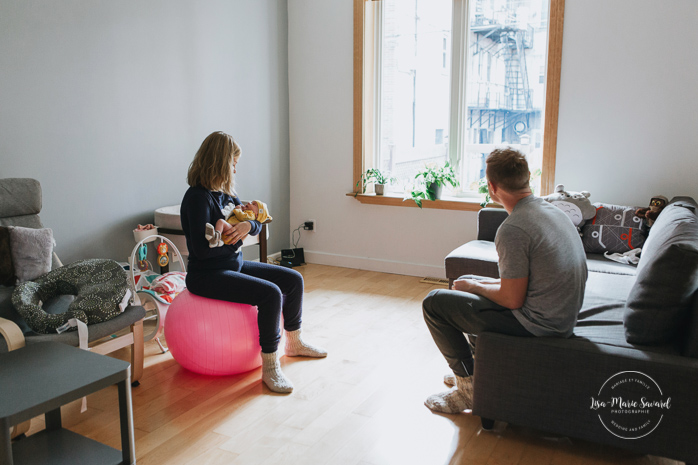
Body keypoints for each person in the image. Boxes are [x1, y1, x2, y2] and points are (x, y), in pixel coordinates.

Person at [422, 148, 588, 414]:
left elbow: (512, 299)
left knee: (434, 303)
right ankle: (480, 372)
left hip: (539, 325)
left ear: (492, 186)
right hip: (561, 316)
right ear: (527, 179)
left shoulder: (513, 228)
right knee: (468, 280)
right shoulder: (552, 211)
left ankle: (469, 388)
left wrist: (474, 287)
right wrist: (473, 283)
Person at [181, 131, 327, 394]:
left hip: (231, 266)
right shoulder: (197, 198)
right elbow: (201, 252)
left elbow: (256, 222)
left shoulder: (226, 195)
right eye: (233, 161)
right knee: (270, 294)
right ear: (221, 162)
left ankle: (294, 342)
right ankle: (270, 366)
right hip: (206, 275)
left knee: (293, 279)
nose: (236, 167)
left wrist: (249, 225)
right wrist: (235, 242)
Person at [205, 200, 272, 248]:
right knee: (221, 222)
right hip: (230, 232)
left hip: (232, 230)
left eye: (253, 204)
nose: (249, 202)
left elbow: (241, 216)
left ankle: (216, 237)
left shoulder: (251, 215)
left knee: (221, 222)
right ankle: (217, 239)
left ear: (257, 215)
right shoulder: (248, 213)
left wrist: (238, 209)